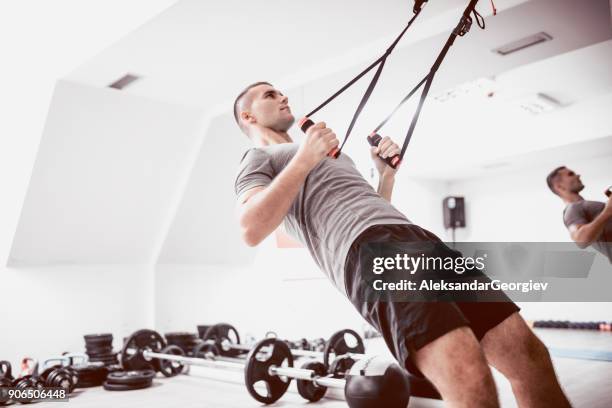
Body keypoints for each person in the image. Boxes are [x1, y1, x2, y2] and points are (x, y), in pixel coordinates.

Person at [234, 81, 570, 407]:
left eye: (280, 91)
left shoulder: (330, 155)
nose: (282, 97)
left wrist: (385, 176)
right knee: (469, 375)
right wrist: (305, 158)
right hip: (368, 252)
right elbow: (251, 228)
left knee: (530, 358)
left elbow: (370, 207)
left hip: (415, 237)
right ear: (249, 117)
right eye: (269, 94)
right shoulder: (259, 157)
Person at [546, 166, 612, 263]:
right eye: (570, 174)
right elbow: (581, 240)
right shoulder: (571, 210)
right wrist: (608, 210)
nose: (578, 175)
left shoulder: (583, 206)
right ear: (560, 186)